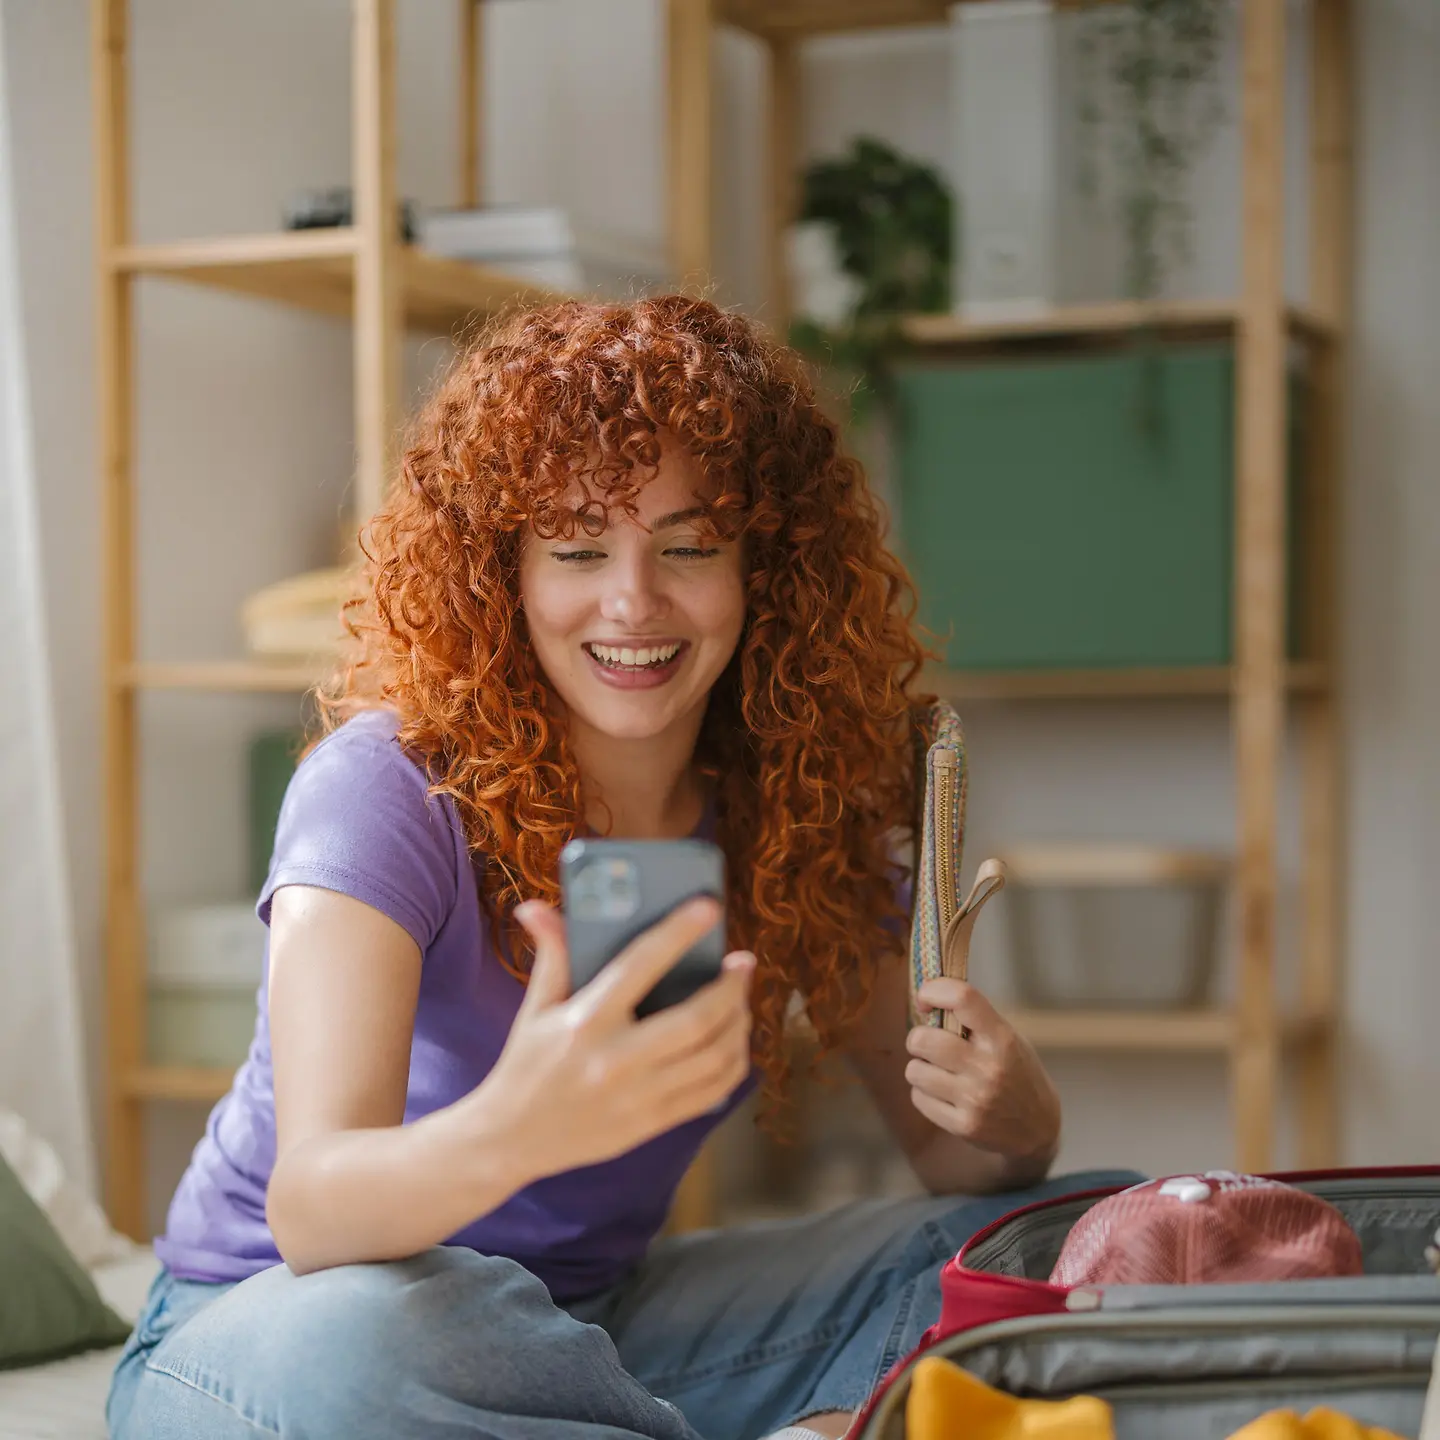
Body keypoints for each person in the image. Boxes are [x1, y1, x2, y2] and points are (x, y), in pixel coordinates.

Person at [107, 296, 1131, 1440]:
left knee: (1061, 1230)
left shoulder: (795, 812)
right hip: (278, 1326)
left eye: (689, 548)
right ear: (506, 573)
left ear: (764, 571)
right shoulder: (388, 787)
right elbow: (310, 1209)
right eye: (579, 548)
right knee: (374, 1347)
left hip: (593, 1327)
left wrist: (1021, 1121)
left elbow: (949, 1157)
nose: (633, 602)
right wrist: (519, 1126)